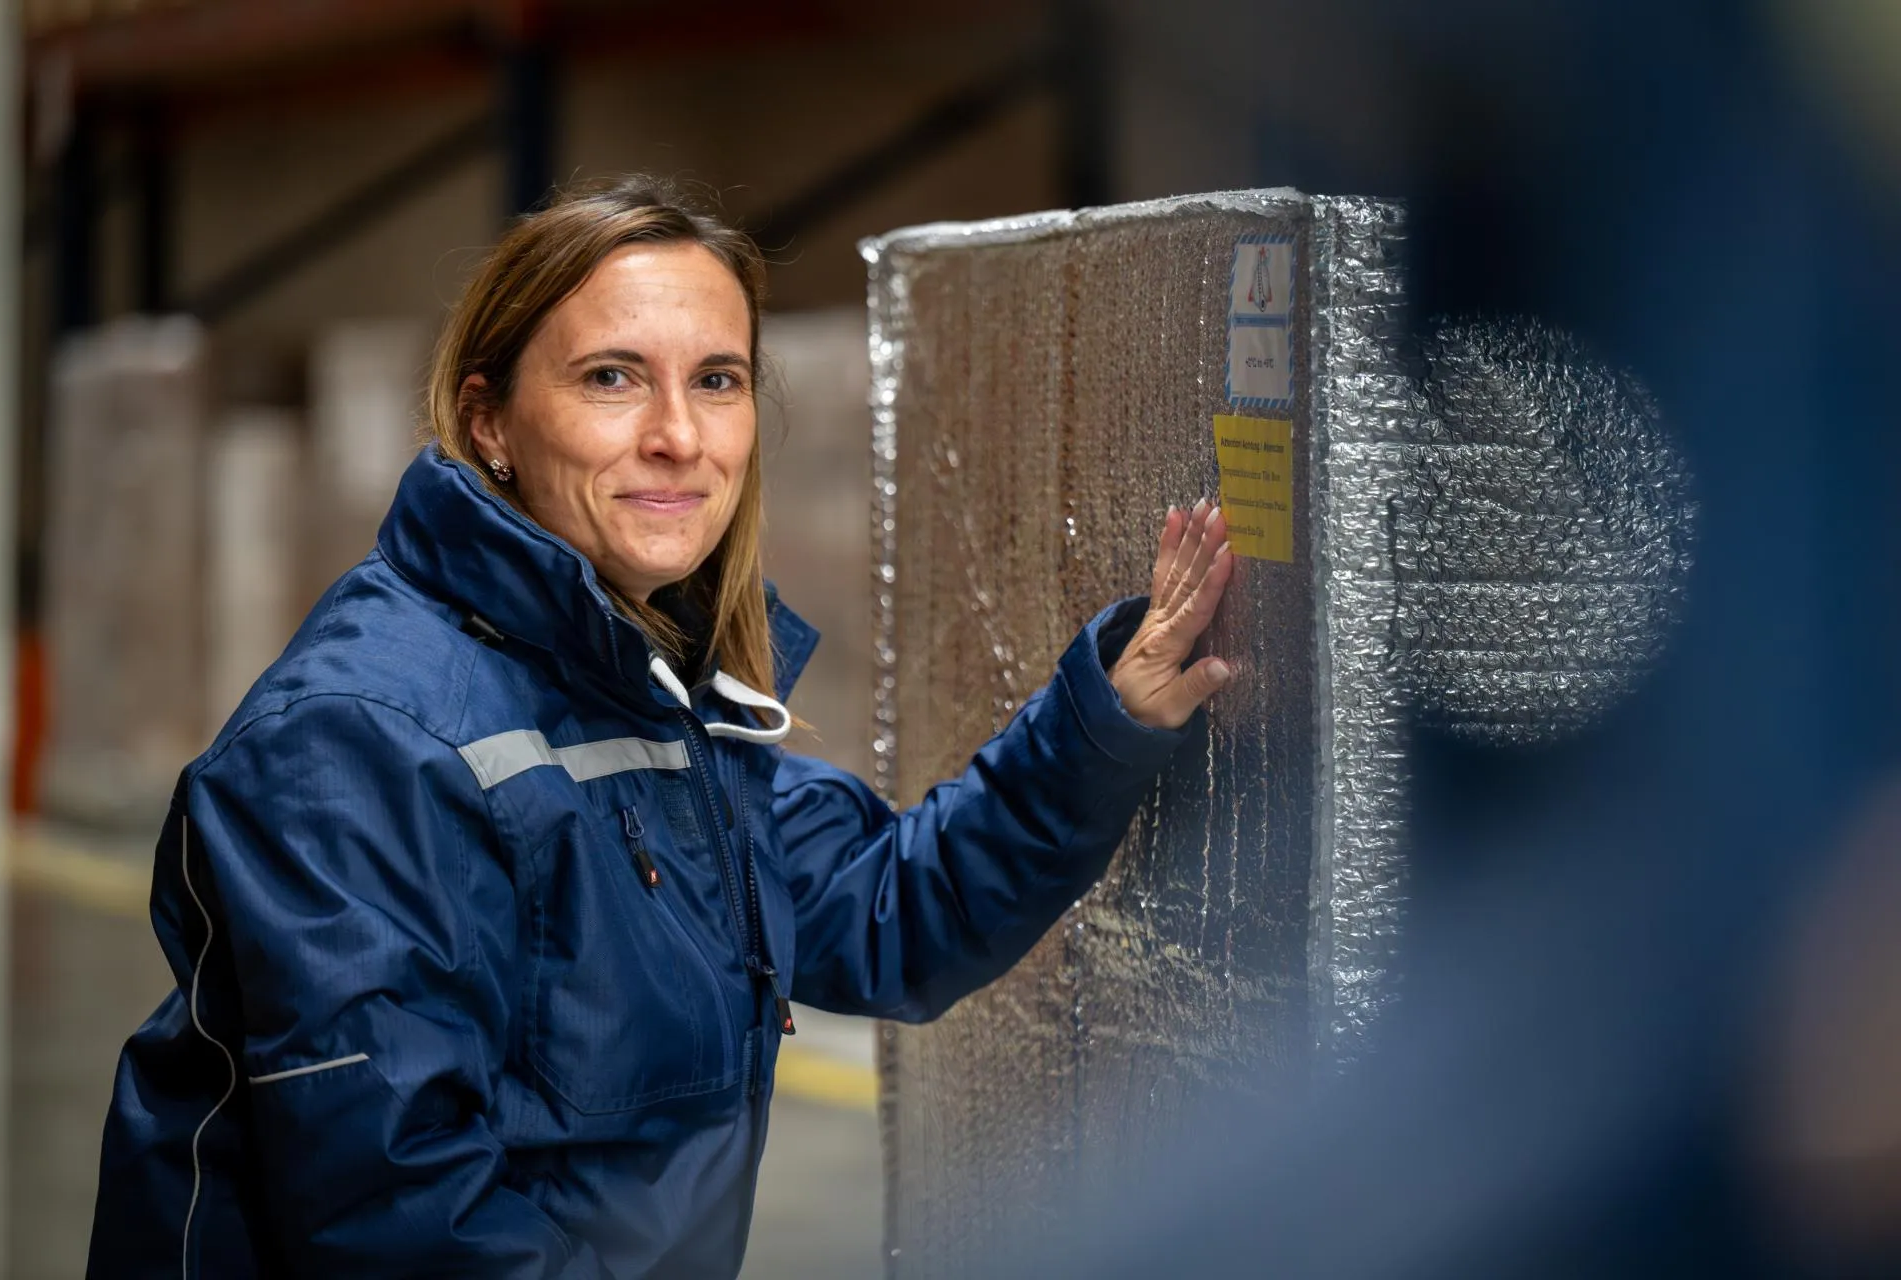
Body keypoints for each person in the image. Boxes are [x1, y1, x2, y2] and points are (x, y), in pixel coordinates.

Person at [86, 177, 1235, 1278]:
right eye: (612, 377)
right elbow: (402, 1214)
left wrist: (1102, 721)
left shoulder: (651, 703)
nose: (681, 435)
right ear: (490, 419)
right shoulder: (358, 740)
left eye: (719, 379)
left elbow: (892, 908)